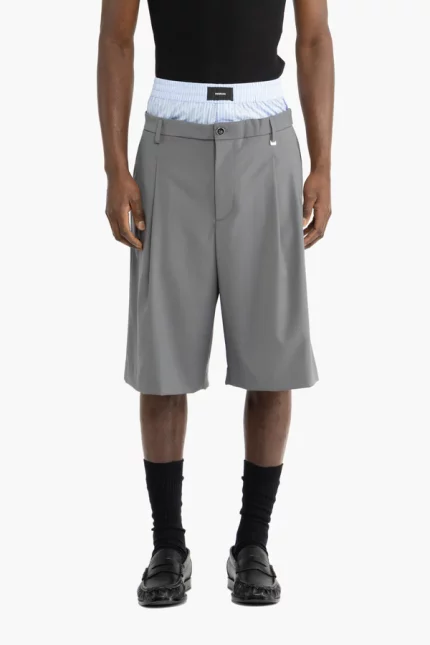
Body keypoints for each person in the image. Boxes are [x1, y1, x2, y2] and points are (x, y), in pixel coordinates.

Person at [97, 0, 333, 607]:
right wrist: (115, 169)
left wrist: (324, 165)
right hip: (169, 143)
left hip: (267, 143)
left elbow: (313, 39)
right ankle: (167, 547)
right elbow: (116, 40)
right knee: (163, 359)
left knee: (272, 357)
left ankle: (253, 545)